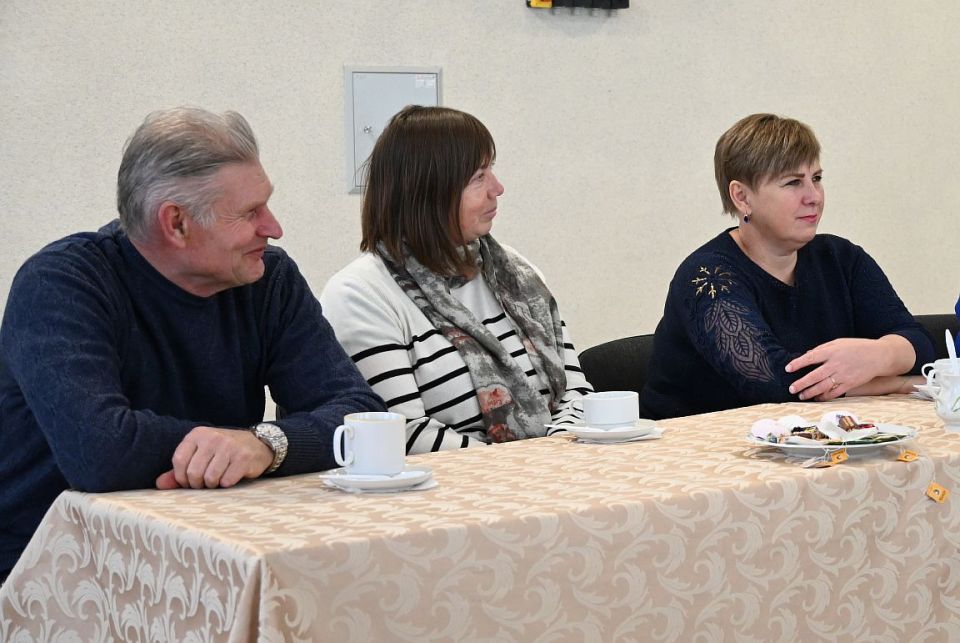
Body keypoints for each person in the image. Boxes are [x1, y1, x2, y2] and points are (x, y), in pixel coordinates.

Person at [0, 107, 385, 583]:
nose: (273, 227)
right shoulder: (61, 284)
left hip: (210, 558)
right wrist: (232, 447)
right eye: (249, 213)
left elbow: (359, 415)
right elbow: (99, 452)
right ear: (176, 223)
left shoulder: (268, 279)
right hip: (55, 574)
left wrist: (265, 444)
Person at [320, 105, 592, 452]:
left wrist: (557, 457)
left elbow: (575, 392)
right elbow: (402, 433)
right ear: (427, 193)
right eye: (478, 177)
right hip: (455, 482)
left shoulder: (516, 271)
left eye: (491, 169)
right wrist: (524, 467)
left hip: (551, 469)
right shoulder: (361, 294)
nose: (497, 188)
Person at [641, 113, 934, 419]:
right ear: (742, 197)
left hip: (803, 437)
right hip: (693, 443)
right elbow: (778, 384)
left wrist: (877, 355)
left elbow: (920, 344)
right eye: (793, 182)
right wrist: (899, 383)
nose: (814, 197)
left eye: (816, 179)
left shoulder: (841, 257)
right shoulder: (707, 276)